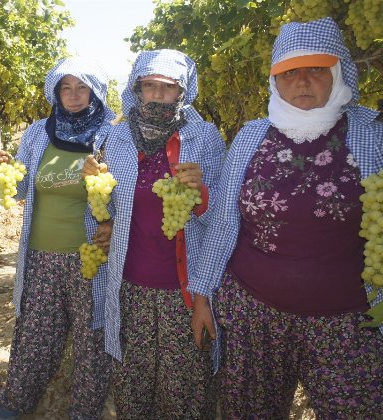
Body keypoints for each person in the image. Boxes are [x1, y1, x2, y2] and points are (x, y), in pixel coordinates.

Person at [189, 17, 383, 417]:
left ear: (338, 74)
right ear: (274, 83)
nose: (303, 81)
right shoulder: (251, 137)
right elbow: (226, 223)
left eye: (316, 69)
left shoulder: (375, 138)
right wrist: (202, 296)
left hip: (350, 323)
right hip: (251, 315)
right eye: (290, 72)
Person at [82, 49, 225, 418]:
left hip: (184, 291)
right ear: (138, 90)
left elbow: (223, 220)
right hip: (130, 288)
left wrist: (202, 196)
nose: (158, 94)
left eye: (167, 87)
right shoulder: (117, 138)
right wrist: (98, 198)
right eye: (149, 86)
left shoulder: (205, 137)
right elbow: (110, 209)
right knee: (133, 386)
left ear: (182, 91)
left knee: (184, 393)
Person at [0, 57, 115, 420]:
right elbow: (18, 189)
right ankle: (12, 405)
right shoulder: (38, 132)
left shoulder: (112, 134)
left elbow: (122, 192)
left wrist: (111, 221)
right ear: (56, 92)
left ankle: (86, 411)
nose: (74, 95)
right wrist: (0, 170)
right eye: (66, 87)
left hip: (91, 259)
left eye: (82, 87)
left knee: (91, 343)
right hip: (41, 256)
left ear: (95, 91)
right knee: (34, 337)